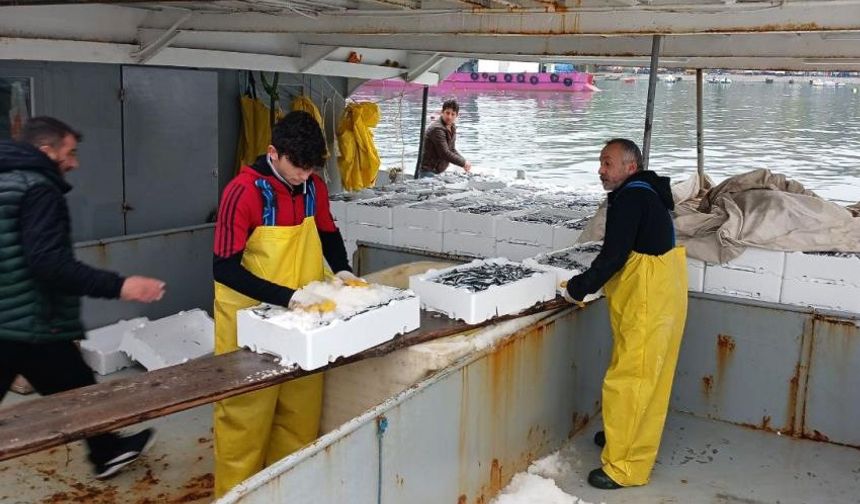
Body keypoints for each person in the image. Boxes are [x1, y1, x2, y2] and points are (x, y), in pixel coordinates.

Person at [0, 116, 166, 479]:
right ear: (46, 151)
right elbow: (49, 264)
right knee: (76, 385)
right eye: (70, 152)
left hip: (24, 321)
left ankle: (106, 450)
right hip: (26, 320)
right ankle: (106, 450)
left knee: (76, 383)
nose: (74, 162)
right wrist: (122, 286)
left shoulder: (6, 179)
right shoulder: (39, 188)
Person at [212, 110, 359, 497]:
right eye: (297, 166)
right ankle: (235, 496)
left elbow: (328, 233)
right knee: (245, 420)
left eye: (311, 168)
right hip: (249, 326)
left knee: (300, 415)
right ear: (273, 152)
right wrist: (287, 296)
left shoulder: (314, 188)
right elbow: (223, 269)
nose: (303, 176)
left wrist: (342, 270)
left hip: (305, 322)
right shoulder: (242, 193)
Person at [563, 138, 688, 490]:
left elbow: (614, 257)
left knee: (631, 380)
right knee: (637, 369)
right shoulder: (643, 190)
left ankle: (625, 466)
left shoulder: (632, 198)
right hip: (653, 296)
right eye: (600, 163)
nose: (600, 170)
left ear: (630, 167)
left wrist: (578, 287)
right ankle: (623, 437)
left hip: (649, 299)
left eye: (607, 163)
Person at [417, 99, 471, 178]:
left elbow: (451, 149)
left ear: (457, 115)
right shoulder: (437, 129)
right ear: (442, 112)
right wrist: (463, 163)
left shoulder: (452, 127)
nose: (449, 117)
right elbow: (444, 153)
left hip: (437, 171)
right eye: (447, 113)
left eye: (453, 114)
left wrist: (464, 162)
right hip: (428, 171)